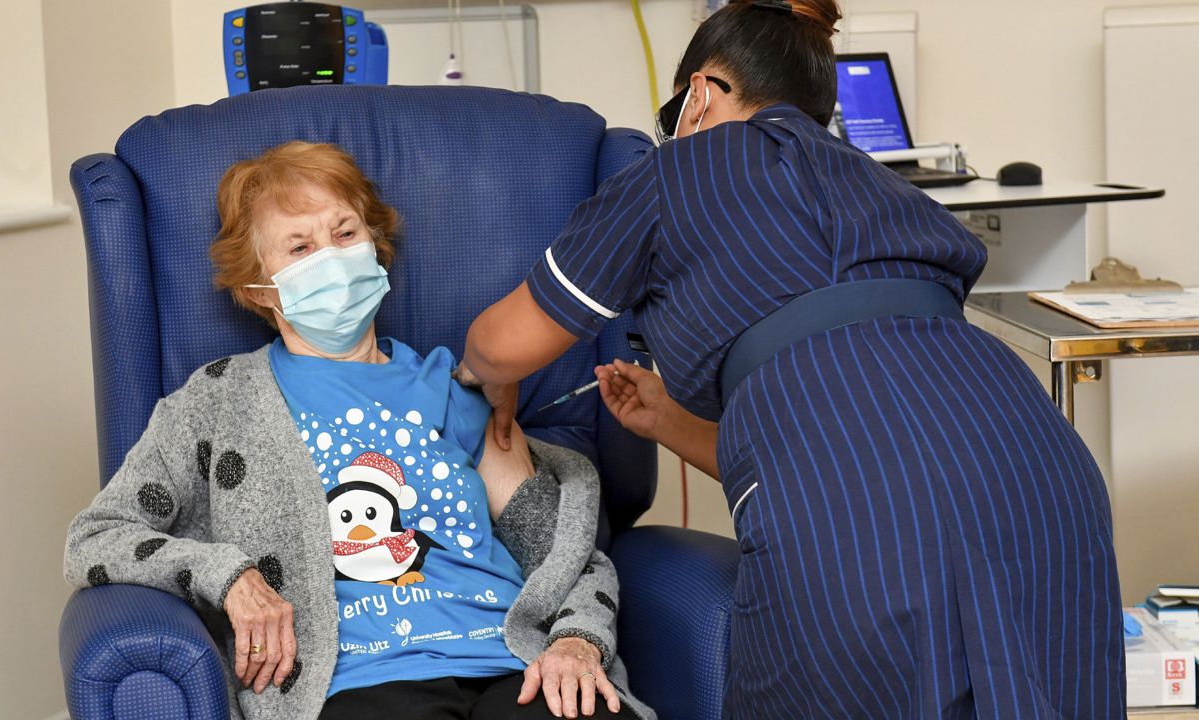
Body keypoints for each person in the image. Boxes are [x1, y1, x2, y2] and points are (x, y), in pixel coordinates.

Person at [457, 1, 1125, 718]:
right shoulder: (889, 188)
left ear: (701, 94)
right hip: (1039, 471)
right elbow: (881, 425)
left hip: (857, 513)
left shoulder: (678, 170)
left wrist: (469, 378)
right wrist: (666, 421)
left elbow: (502, 345)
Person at [64, 141, 654, 720]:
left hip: (513, 663)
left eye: (346, 234)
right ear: (255, 288)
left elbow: (563, 555)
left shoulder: (456, 389)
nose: (332, 258)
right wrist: (229, 577)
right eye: (299, 247)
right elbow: (96, 538)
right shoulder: (216, 403)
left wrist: (577, 641)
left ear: (375, 246)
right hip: (359, 681)